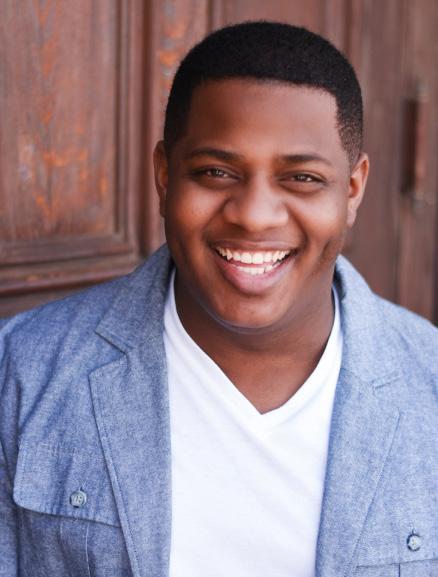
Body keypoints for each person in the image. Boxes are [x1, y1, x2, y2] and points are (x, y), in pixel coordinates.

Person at [0, 21, 437, 577]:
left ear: (351, 190)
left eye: (302, 178)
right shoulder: (21, 372)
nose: (253, 216)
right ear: (165, 176)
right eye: (216, 172)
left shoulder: (428, 385)